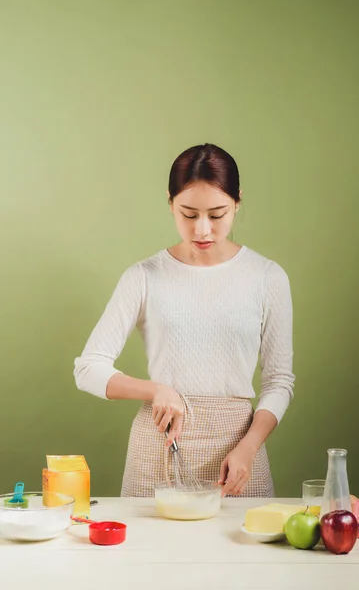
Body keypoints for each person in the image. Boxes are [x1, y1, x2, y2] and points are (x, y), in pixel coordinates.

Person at [73, 143, 295, 498]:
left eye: (217, 214)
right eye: (188, 214)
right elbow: (87, 369)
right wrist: (156, 390)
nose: (202, 230)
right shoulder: (143, 276)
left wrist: (249, 446)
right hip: (157, 448)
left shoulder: (267, 277)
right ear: (170, 202)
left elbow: (279, 381)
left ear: (237, 201)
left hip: (238, 453)